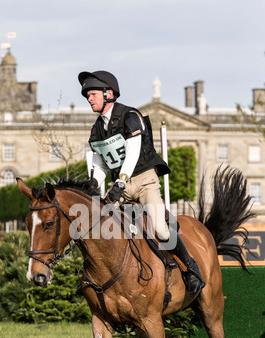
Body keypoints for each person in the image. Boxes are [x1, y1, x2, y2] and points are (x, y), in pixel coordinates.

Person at [78, 70, 204, 295]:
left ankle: (190, 269)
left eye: (93, 94)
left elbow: (133, 154)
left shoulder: (130, 116)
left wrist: (119, 184)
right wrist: (94, 184)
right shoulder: (97, 129)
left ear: (109, 94)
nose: (89, 98)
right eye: (87, 95)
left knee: (160, 230)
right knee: (96, 226)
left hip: (144, 182)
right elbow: (101, 165)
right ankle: (94, 277)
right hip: (121, 187)